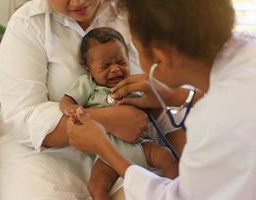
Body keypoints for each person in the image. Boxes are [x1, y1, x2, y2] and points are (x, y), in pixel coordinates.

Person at [66, 0, 256, 199]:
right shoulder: (248, 51)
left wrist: (103, 147)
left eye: (133, 51)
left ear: (161, 57)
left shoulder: (212, 127)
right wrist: (175, 96)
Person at [0, 0, 161, 199]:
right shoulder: (28, 24)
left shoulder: (130, 12)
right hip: (45, 150)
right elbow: (23, 116)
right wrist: (109, 119)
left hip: (129, 142)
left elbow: (166, 83)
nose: (79, 1)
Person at [60, 27, 179, 199]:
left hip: (141, 147)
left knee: (167, 156)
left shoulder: (133, 83)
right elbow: (67, 100)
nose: (115, 69)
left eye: (121, 62)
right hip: (106, 152)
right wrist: (70, 109)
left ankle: (177, 193)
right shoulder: (88, 85)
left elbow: (153, 109)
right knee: (95, 186)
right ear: (89, 70)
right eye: (106, 66)